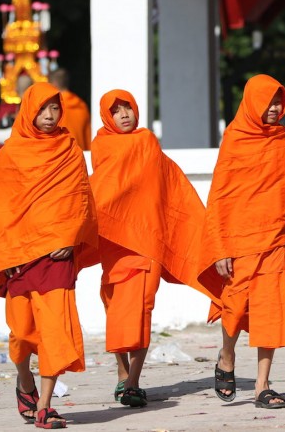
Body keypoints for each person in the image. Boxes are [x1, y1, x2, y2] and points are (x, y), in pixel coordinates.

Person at [85, 89, 223, 407]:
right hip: (114, 244)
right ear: (106, 115)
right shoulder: (101, 145)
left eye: (128, 108)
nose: (124, 114)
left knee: (141, 310)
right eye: (116, 110)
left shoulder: (147, 141)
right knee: (116, 309)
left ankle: (133, 381)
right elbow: (101, 189)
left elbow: (169, 187)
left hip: (146, 242)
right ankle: (123, 376)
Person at [198, 74, 285, 409]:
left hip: (275, 240)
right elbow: (220, 196)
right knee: (235, 307)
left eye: (277, 102)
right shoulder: (235, 139)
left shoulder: (284, 140)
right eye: (268, 102)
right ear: (253, 102)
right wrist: (220, 247)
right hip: (239, 241)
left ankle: (262, 386)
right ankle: (226, 357)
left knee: (270, 312)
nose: (274, 109)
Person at [0, 82, 98, 429]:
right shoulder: (13, 152)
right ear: (28, 110)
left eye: (55, 108)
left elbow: (81, 198)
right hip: (19, 258)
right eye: (43, 109)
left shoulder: (69, 149)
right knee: (22, 335)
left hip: (57, 257)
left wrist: (72, 239)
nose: (49, 116)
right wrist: (5, 252)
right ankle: (24, 379)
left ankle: (45, 406)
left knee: (54, 332)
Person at [49, 68, 91, 151]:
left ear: (54, 83)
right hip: (79, 154)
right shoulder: (81, 104)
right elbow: (88, 135)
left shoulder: (52, 106)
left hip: (59, 155)